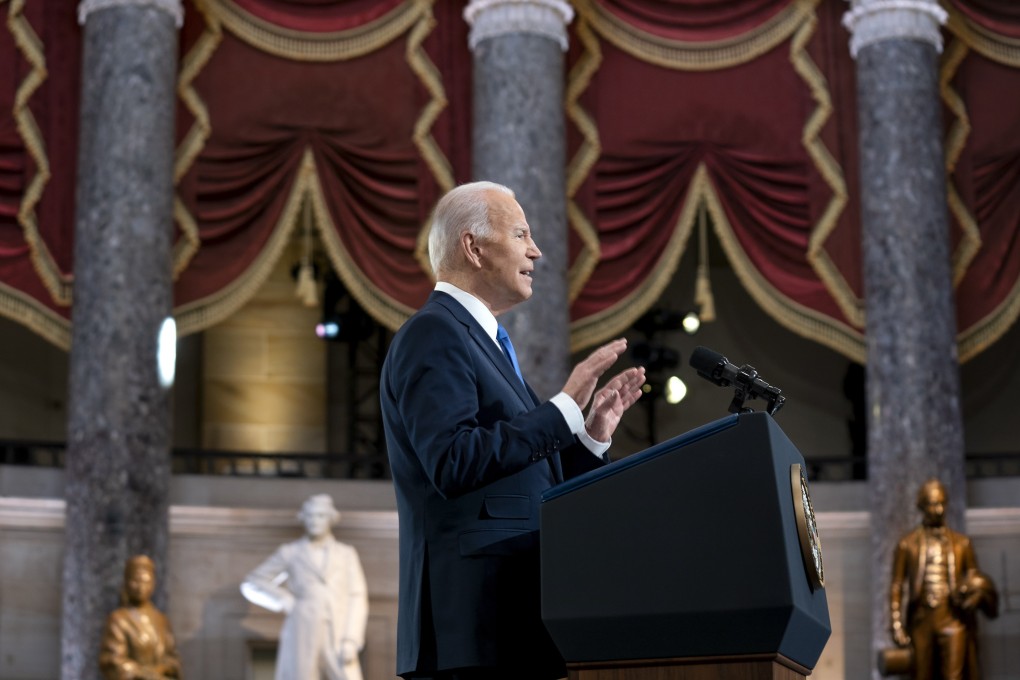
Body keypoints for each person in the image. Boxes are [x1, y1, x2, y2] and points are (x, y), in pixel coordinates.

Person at [380, 181, 646, 679]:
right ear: (473, 247)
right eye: (521, 233)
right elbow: (453, 461)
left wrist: (587, 435)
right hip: (471, 632)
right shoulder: (434, 332)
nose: (537, 250)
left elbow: (525, 485)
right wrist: (562, 408)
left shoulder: (485, 343)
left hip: (512, 626)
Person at [241, 494, 369, 680]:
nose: (315, 521)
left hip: (338, 631)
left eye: (320, 516)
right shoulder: (290, 552)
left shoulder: (346, 554)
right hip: (302, 630)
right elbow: (252, 582)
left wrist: (351, 638)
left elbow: (357, 597)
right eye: (310, 515)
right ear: (303, 518)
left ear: (330, 518)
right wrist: (284, 600)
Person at [888, 478, 999, 680]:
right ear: (921, 505)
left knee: (954, 675)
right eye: (932, 504)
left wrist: (974, 597)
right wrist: (896, 624)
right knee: (921, 675)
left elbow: (975, 579)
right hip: (922, 620)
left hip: (953, 619)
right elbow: (897, 585)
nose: (938, 509)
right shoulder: (907, 544)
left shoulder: (962, 543)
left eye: (942, 503)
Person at [99, 555, 182, 680]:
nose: (140, 587)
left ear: (153, 583)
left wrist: (160, 669)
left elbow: (173, 658)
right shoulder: (118, 619)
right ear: (126, 583)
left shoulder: (161, 620)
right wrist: (141, 673)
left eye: (145, 581)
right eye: (135, 581)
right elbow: (111, 659)